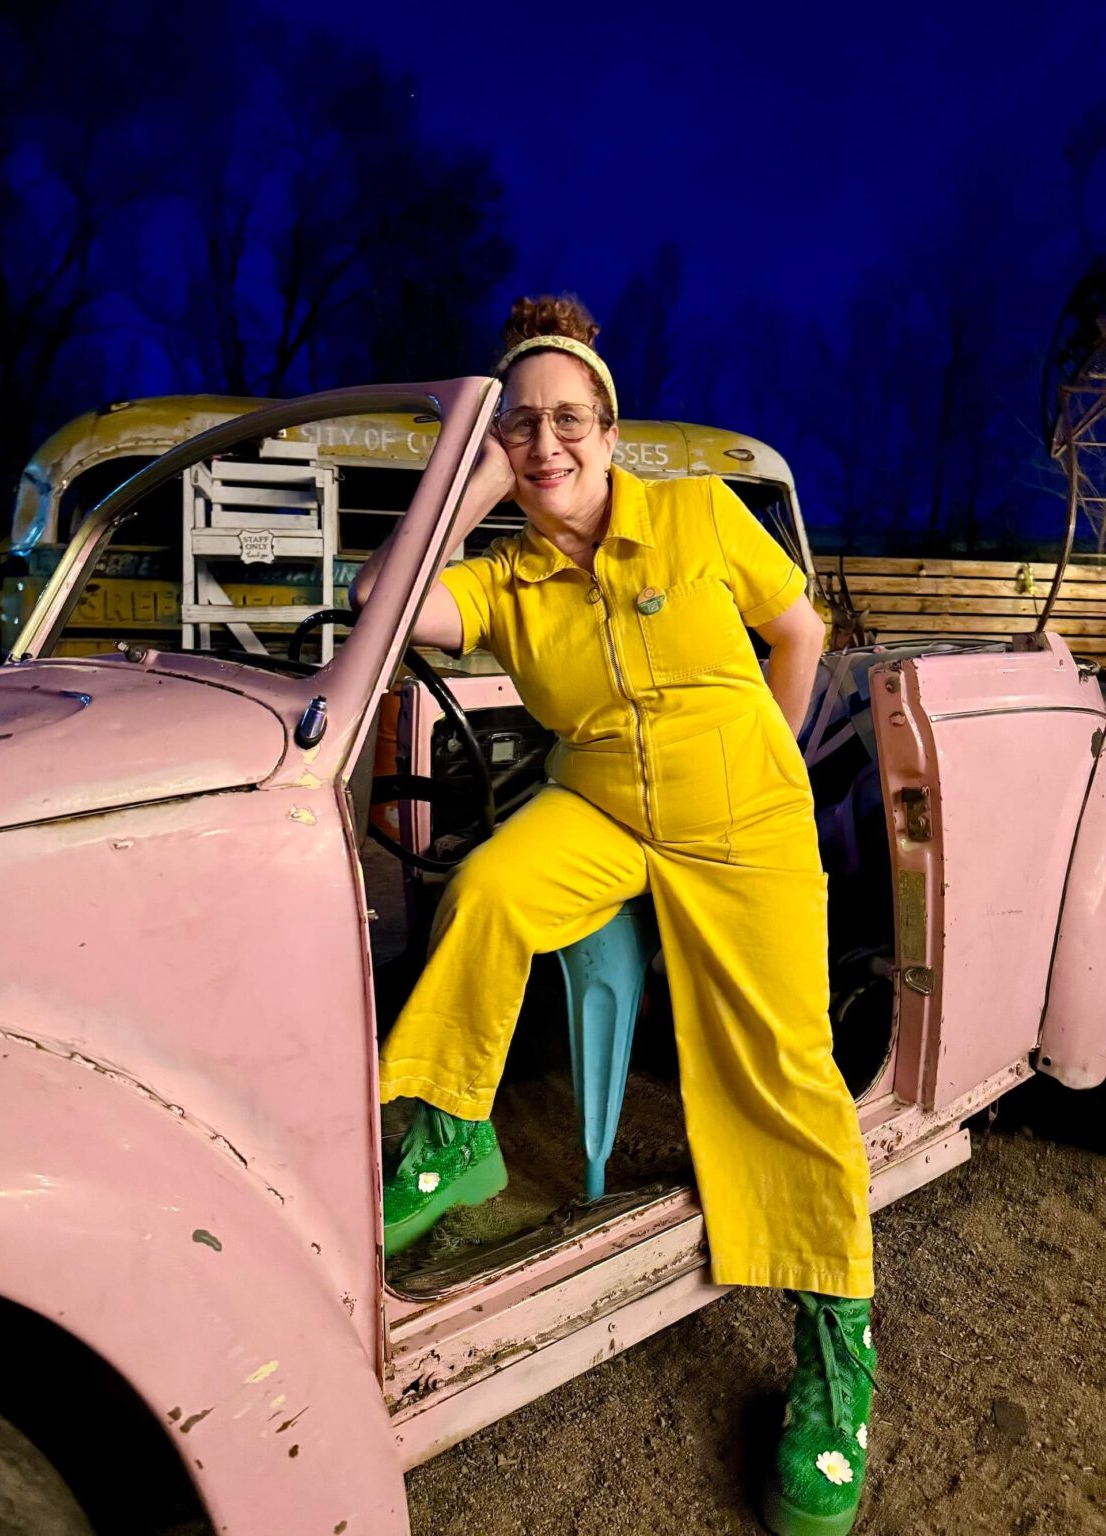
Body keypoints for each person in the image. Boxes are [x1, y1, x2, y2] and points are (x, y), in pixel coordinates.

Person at [352, 295, 876, 1536]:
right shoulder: (505, 578)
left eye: (567, 419)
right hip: (599, 806)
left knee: (784, 1069)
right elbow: (382, 599)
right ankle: (454, 1132)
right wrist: (468, 485)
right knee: (487, 889)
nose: (547, 443)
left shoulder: (698, 512)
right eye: (521, 425)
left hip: (744, 819)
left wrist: (774, 761)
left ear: (610, 428)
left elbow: (799, 631)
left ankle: (837, 1363)